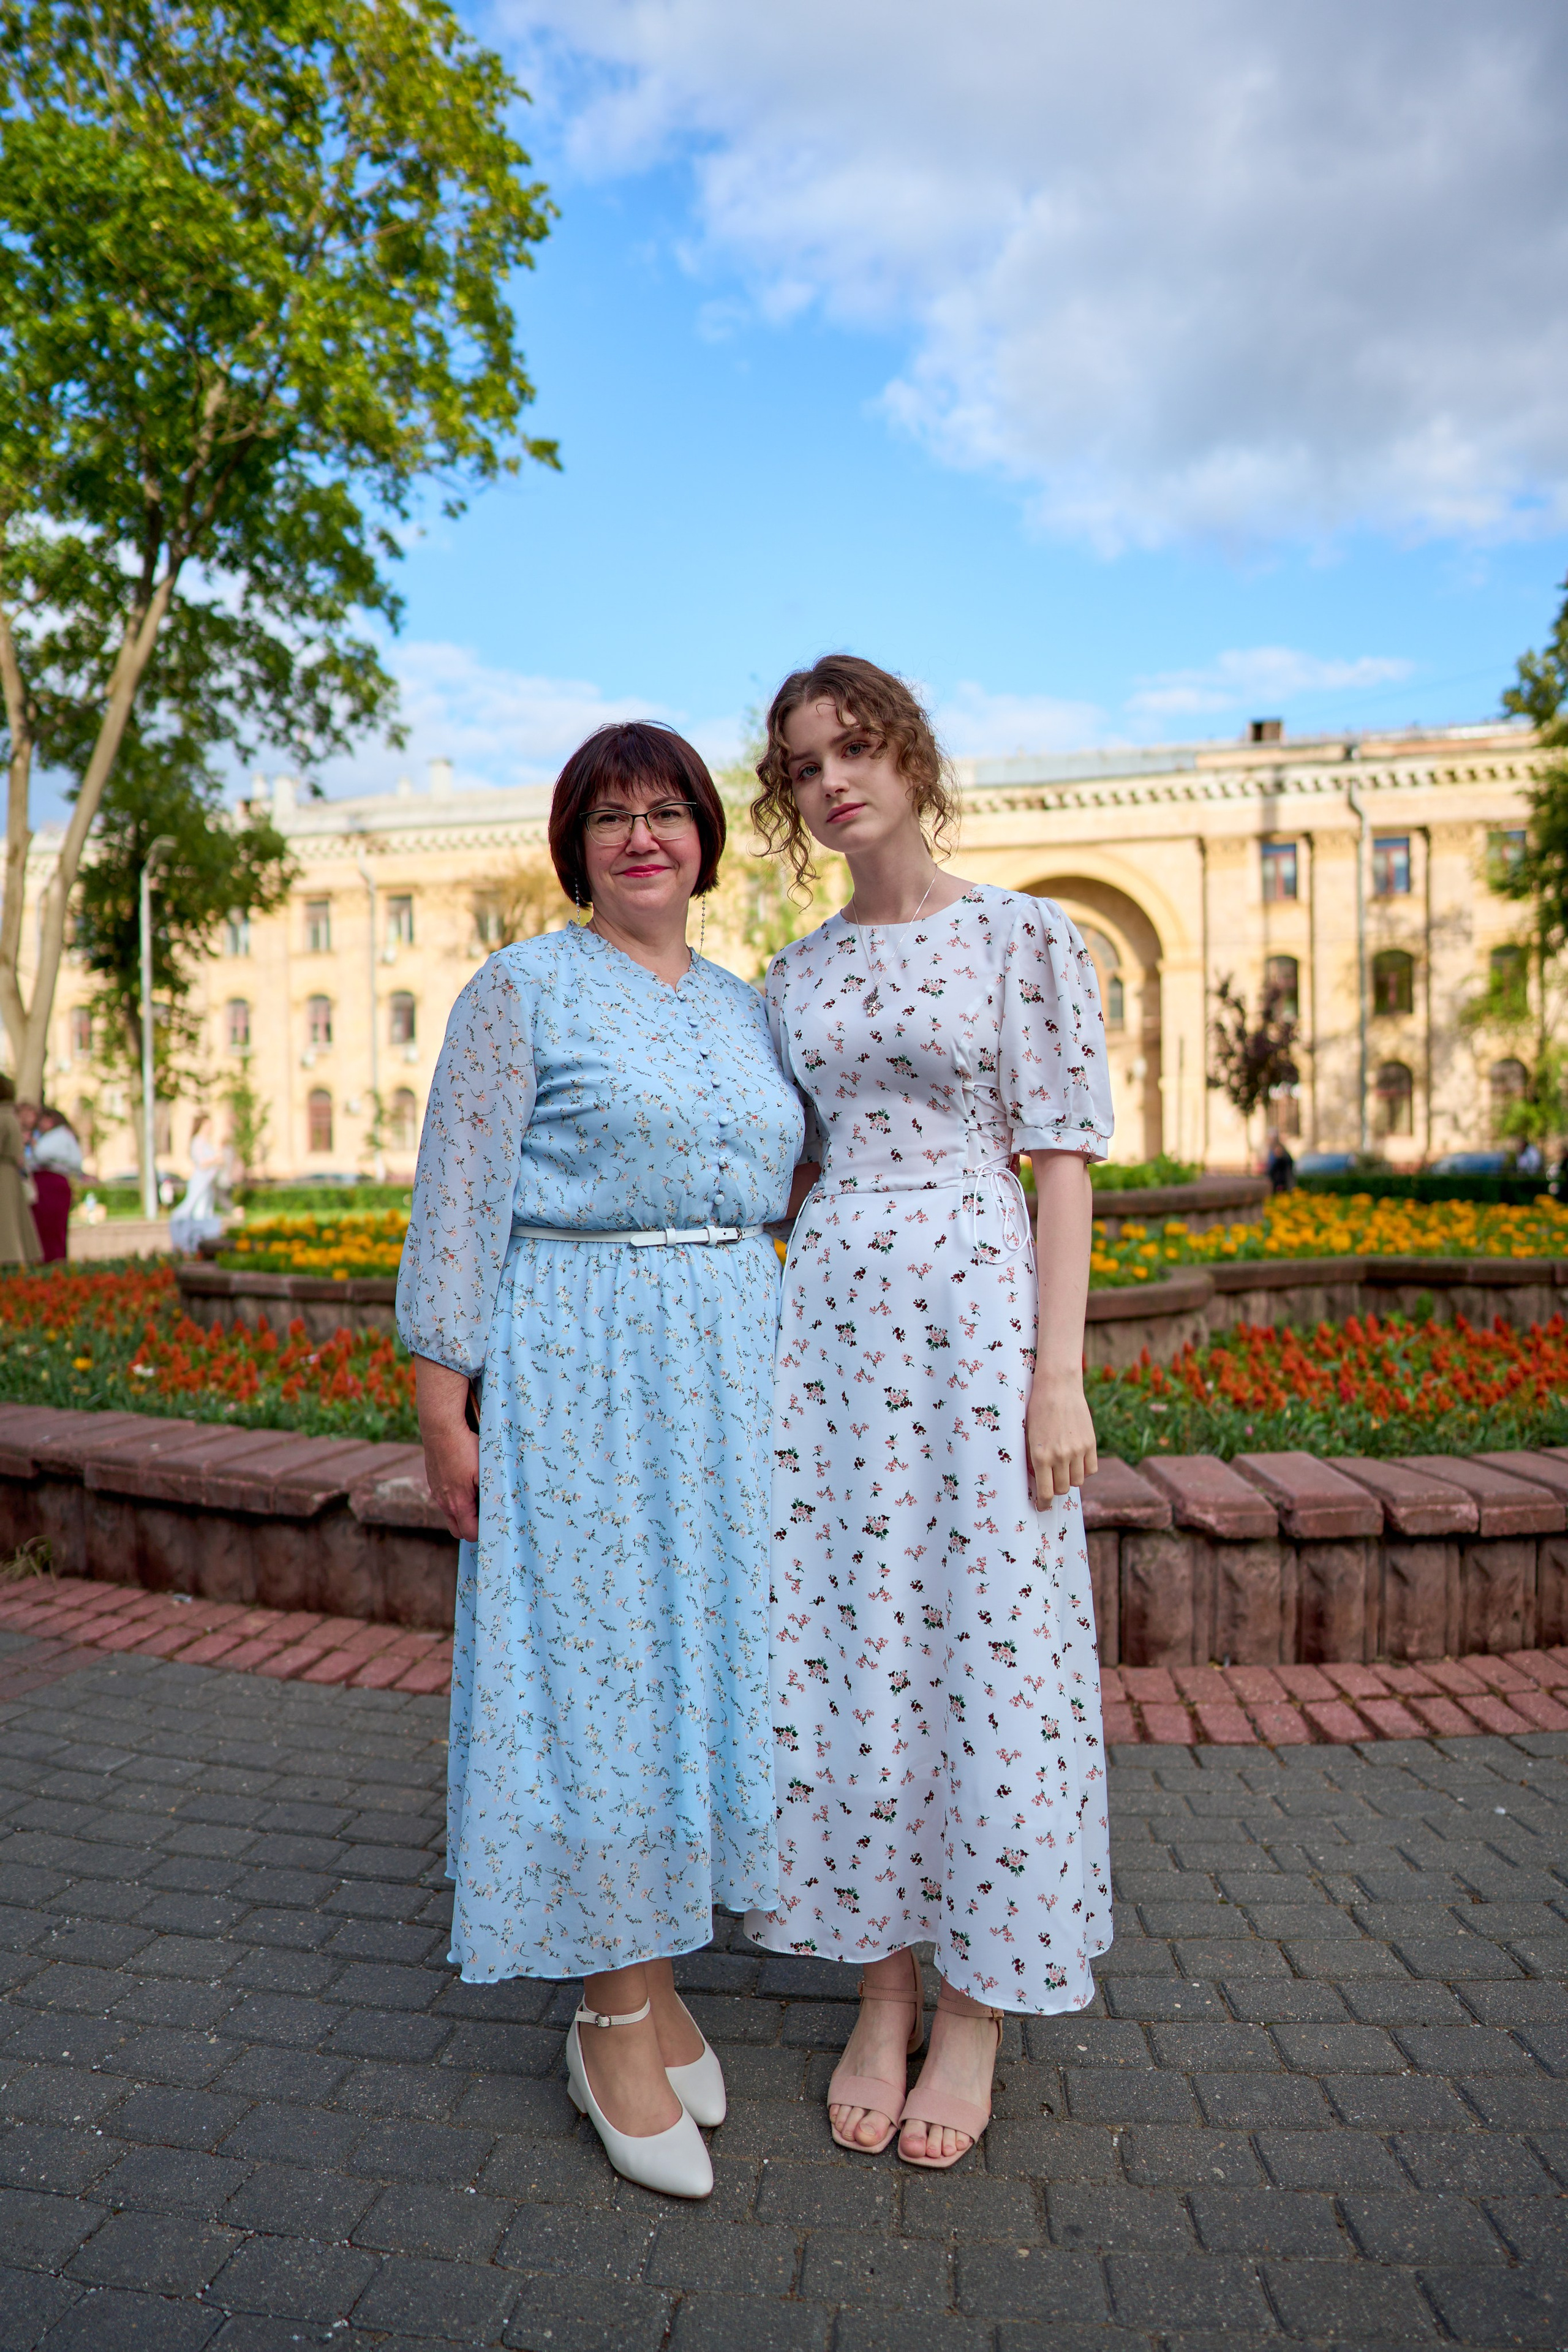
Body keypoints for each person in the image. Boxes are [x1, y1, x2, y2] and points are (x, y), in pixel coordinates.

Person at [397, 722, 804, 2201]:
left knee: (700, 1670)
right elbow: (458, 1197)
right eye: (610, 816)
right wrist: (446, 1402)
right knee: (595, 1669)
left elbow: (796, 1171)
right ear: (574, 844)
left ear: (705, 836)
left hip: (727, 1363)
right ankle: (610, 2012)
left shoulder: (752, 1007)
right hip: (577, 1361)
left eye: (668, 813)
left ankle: (663, 1975)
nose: (643, 837)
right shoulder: (519, 990)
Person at [745, 655, 1114, 2172]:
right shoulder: (794, 972)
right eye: (801, 765)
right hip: (828, 1339)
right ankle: (879, 1991)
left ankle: (976, 2007)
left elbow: (1063, 1159)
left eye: (855, 746)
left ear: (910, 753)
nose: (832, 779)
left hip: (976, 1329)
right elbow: (783, 1169)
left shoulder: (1022, 936)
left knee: (986, 1647)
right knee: (854, 1656)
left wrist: (1056, 1371)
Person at [169, 1113, 227, 1254]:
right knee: (197, 1211)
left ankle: (204, 1243)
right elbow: (202, 1163)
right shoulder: (197, 1142)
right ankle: (194, 1244)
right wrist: (216, 1160)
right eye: (208, 1125)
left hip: (207, 1183)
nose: (210, 1128)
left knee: (206, 1211)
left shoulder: (206, 1142)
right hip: (200, 1182)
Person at [0, 1077, 42, 1266]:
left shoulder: (3, 1116)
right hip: (9, 1173)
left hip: (3, 1173)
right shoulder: (11, 1116)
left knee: (6, 1220)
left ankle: (9, 1257)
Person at [1265, 1128, 1295, 1194]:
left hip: (1281, 1181)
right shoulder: (1271, 1149)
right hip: (1275, 1180)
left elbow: (1287, 1164)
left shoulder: (1279, 1149)